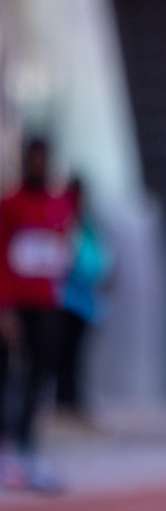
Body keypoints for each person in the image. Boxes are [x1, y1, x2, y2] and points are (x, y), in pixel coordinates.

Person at [0, 138, 73, 492]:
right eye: (33, 160)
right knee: (9, 379)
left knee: (39, 379)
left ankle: (29, 451)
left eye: (44, 160)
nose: (38, 166)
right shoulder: (10, 204)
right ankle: (6, 452)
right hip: (16, 306)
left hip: (47, 305)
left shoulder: (59, 206)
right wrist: (5, 308)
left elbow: (61, 252)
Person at [56, 176, 114, 426]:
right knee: (64, 355)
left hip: (84, 303)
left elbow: (99, 257)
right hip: (64, 300)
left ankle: (72, 401)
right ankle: (64, 401)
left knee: (75, 356)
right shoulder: (64, 220)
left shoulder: (86, 223)